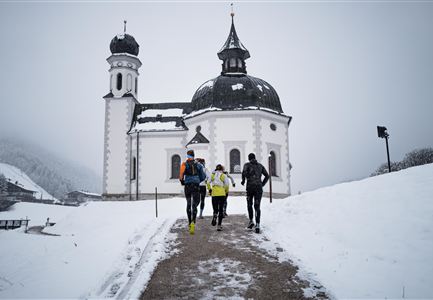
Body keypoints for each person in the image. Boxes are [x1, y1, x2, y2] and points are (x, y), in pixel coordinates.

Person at [179, 150, 206, 235]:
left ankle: (189, 222)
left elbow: (181, 174)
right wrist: (197, 180)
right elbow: (203, 176)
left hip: (187, 186)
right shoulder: (199, 165)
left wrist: (182, 181)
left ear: (188, 156)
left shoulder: (184, 164)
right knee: (194, 204)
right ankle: (193, 222)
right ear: (194, 156)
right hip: (195, 185)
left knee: (188, 203)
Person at [241, 153, 269, 233]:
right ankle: (257, 224)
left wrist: (243, 181)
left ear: (249, 158)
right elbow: (267, 176)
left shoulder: (247, 165)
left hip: (250, 188)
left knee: (249, 204)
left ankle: (251, 221)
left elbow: (243, 173)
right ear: (255, 158)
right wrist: (262, 184)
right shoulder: (260, 166)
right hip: (258, 189)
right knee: (257, 206)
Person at [207, 164, 230, 231]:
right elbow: (227, 184)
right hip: (222, 194)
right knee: (221, 210)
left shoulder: (213, 175)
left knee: (215, 208)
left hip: (214, 194)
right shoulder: (223, 175)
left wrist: (210, 190)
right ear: (222, 169)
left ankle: (214, 215)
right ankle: (219, 226)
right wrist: (226, 191)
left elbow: (208, 183)